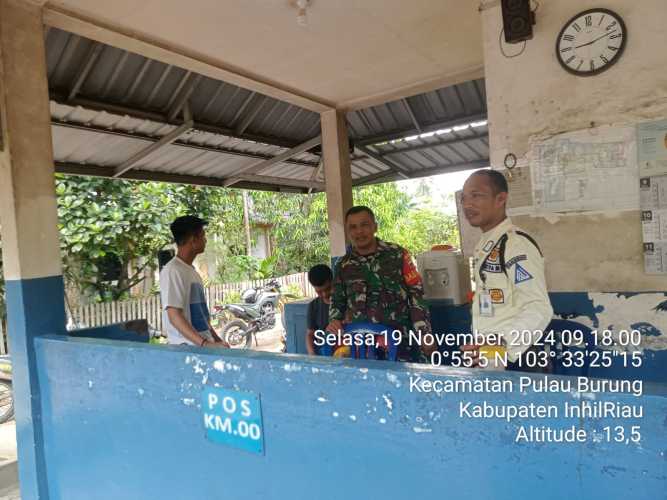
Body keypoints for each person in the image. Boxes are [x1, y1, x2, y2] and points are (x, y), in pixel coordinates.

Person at [460, 170, 553, 371]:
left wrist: (502, 342)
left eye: (476, 195)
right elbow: (488, 295)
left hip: (516, 358)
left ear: (500, 198)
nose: (467, 204)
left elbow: (538, 307)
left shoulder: (515, 244)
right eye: (464, 198)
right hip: (489, 354)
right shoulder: (485, 245)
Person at [326, 206, 434, 362]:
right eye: (353, 227)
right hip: (360, 349)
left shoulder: (398, 255)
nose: (359, 232)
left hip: (400, 344)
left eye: (364, 225)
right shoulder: (343, 265)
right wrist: (334, 320)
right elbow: (336, 300)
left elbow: (416, 294)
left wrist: (424, 332)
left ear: (375, 227)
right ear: (348, 232)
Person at [160, 215, 228, 348]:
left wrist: (216, 340)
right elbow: (174, 316)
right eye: (203, 235)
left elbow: (202, 318)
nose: (205, 240)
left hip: (202, 347)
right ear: (192, 239)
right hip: (189, 350)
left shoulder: (192, 272)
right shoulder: (172, 271)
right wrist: (205, 344)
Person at [305, 264, 333, 355]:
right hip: (323, 353)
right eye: (319, 292)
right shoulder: (313, 306)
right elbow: (310, 334)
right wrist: (312, 355)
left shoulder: (345, 301)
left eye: (328, 289)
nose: (324, 294)